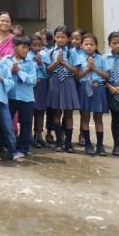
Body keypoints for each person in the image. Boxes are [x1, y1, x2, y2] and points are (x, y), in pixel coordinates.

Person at [45, 25, 79, 153]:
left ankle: (68, 143)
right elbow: (47, 70)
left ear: (68, 39)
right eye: (57, 37)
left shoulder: (73, 52)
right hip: (55, 82)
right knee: (56, 113)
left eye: (63, 37)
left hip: (68, 82)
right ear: (54, 37)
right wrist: (56, 62)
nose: (60, 39)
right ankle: (59, 142)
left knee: (69, 114)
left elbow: (76, 71)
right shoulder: (50, 51)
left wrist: (64, 63)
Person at [75, 33, 109, 156]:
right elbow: (77, 75)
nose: (89, 46)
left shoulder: (101, 58)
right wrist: (87, 69)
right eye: (86, 44)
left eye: (92, 44)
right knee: (85, 116)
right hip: (84, 88)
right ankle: (88, 145)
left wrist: (94, 68)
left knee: (98, 118)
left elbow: (106, 76)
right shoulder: (78, 57)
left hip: (98, 88)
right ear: (81, 45)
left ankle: (100, 146)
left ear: (96, 46)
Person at [3, 35, 37, 158]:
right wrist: (10, 71)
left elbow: (33, 80)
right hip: (10, 96)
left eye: (27, 48)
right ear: (14, 47)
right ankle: (4, 145)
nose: (25, 50)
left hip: (26, 98)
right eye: (23, 47)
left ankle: (23, 148)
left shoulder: (30, 63)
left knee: (26, 124)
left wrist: (19, 72)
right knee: (5, 122)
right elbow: (2, 76)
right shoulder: (5, 60)